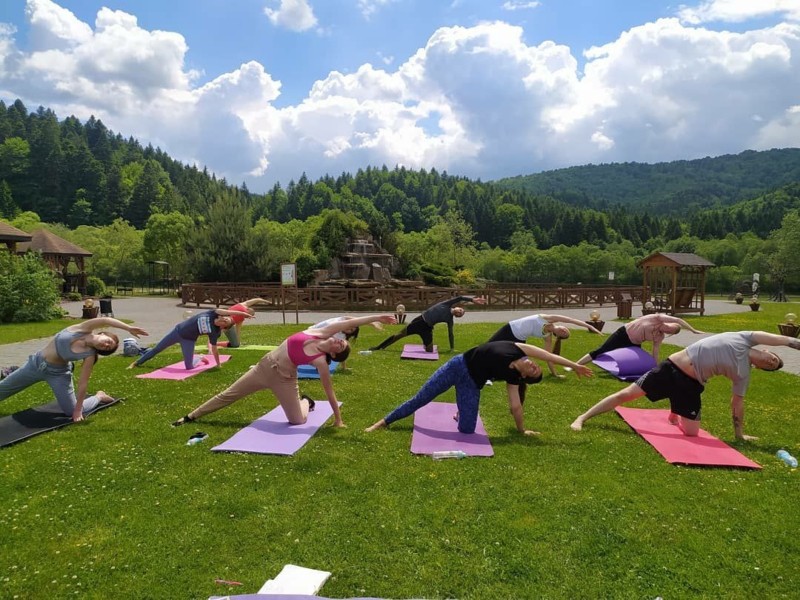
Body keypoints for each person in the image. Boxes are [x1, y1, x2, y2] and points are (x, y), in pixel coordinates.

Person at [171, 314, 397, 429]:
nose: (340, 343)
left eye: (342, 347)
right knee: (229, 394)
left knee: (297, 422)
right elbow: (354, 320)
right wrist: (376, 318)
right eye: (342, 342)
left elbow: (329, 391)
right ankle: (191, 416)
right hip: (264, 367)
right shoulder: (321, 331)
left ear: (335, 356)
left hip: (285, 380)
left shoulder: (320, 363)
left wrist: (338, 420)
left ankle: (305, 402)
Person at [570, 331, 799, 440]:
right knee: (626, 394)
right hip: (670, 369)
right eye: (774, 359)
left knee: (692, 433)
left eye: (772, 366)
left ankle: (676, 409)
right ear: (769, 351)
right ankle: (582, 418)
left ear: (762, 369)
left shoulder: (743, 373)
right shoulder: (747, 337)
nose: (771, 362)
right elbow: (778, 338)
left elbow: (737, 402)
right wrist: (793, 343)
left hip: (691, 385)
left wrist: (739, 435)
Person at [365, 341, 593, 436]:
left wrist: (522, 430)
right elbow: (549, 354)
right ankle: (383, 422)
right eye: (536, 367)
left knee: (467, 430)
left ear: (524, 377)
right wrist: (575, 366)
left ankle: (461, 411)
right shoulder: (517, 348)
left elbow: (515, 407)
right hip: (456, 367)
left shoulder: (513, 378)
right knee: (421, 398)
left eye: (533, 372)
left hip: (471, 385)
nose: (534, 365)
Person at [0, 318, 148, 422]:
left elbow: (83, 383)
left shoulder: (89, 356)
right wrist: (128, 328)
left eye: (108, 348)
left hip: (58, 374)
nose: (106, 345)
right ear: (103, 334)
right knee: (2, 390)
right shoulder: (82, 329)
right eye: (108, 342)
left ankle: (99, 396)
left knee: (71, 411)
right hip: (35, 364)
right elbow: (105, 320)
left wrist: (78, 410)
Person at [128, 308, 251, 371]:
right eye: (225, 318)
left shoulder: (215, 332)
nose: (224, 319)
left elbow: (214, 349)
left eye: (226, 322)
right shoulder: (213, 313)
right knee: (157, 349)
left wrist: (218, 364)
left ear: (223, 327)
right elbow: (229, 311)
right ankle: (136, 363)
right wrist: (243, 314)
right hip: (177, 332)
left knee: (189, 367)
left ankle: (199, 358)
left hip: (189, 340)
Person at [487, 314, 604, 378]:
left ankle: (492, 375)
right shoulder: (547, 318)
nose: (564, 330)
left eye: (564, 334)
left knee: (513, 361)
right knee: (488, 347)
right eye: (566, 330)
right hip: (510, 328)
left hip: (519, 339)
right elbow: (571, 320)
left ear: (557, 335)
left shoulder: (547, 337)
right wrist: (591, 327)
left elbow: (548, 357)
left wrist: (554, 374)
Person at [370, 295, 487, 353]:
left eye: (461, 314)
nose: (460, 313)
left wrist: (452, 348)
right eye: (461, 311)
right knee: (398, 336)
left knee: (430, 351)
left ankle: (426, 345)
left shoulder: (449, 319)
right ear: (458, 307)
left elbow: (450, 334)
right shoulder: (447, 304)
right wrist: (473, 300)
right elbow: (460, 297)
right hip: (420, 321)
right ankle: (379, 347)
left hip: (427, 328)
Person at [576, 313, 704, 365]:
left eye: (671, 332)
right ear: (669, 323)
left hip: (634, 343)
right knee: (602, 350)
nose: (668, 330)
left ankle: (621, 374)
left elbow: (655, 351)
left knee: (634, 361)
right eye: (670, 327)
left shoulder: (660, 336)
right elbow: (678, 320)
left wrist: (655, 367)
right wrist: (692, 330)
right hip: (624, 333)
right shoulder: (657, 318)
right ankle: (575, 365)